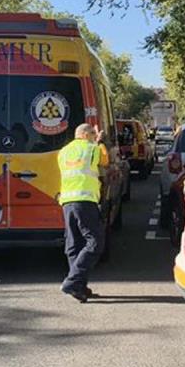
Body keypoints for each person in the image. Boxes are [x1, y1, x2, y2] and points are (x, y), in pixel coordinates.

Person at [57, 122, 110, 302]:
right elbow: (105, 161)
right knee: (95, 242)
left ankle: (78, 287)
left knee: (74, 244)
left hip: (67, 201)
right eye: (93, 135)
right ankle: (72, 281)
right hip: (85, 200)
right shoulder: (92, 148)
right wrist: (101, 141)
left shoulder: (63, 152)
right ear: (87, 135)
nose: (95, 137)